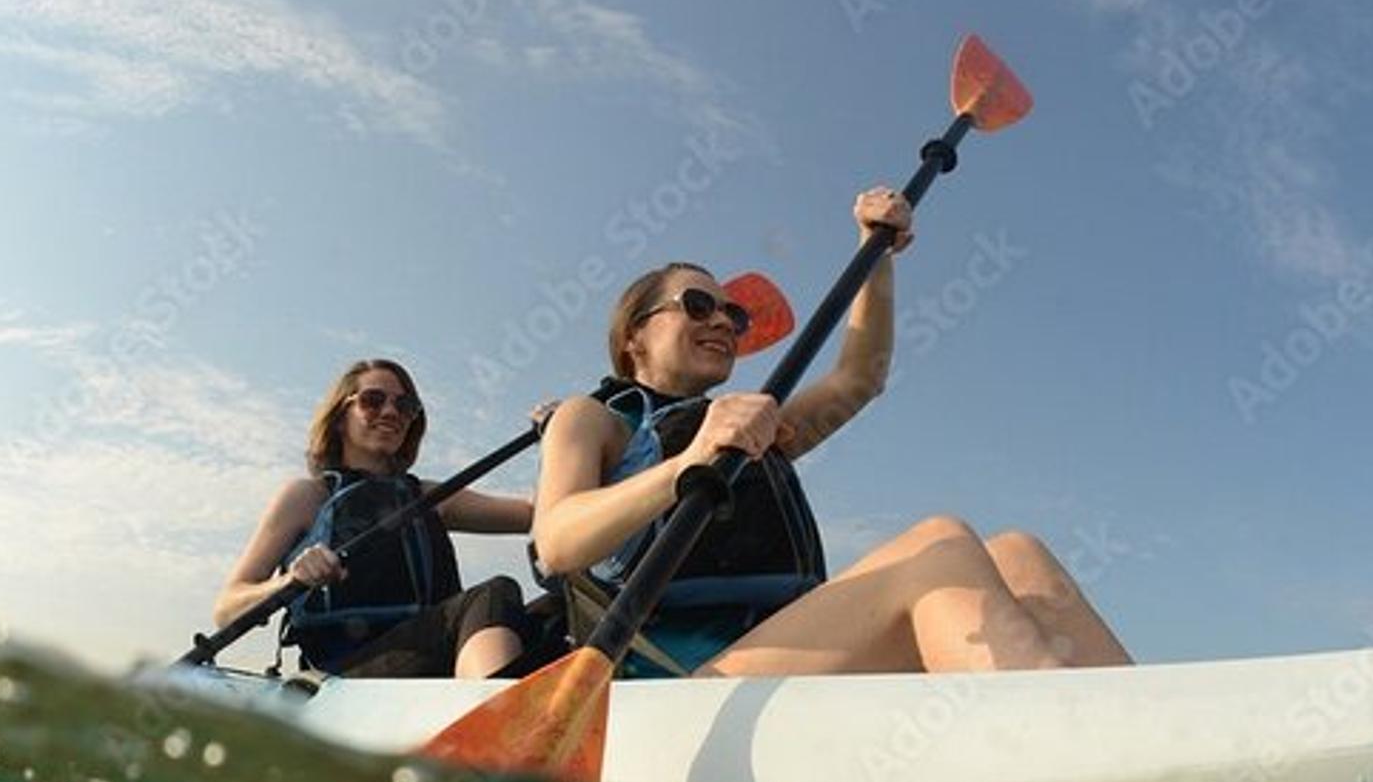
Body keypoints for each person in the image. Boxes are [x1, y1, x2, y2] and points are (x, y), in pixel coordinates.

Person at [529, 188, 1131, 676]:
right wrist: (685, 467)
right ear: (634, 334)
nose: (722, 321)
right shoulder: (592, 418)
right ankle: (1056, 748)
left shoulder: (749, 425)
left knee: (1017, 555)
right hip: (677, 686)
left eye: (732, 315)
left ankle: (1152, 748)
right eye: (697, 305)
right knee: (939, 547)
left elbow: (858, 379)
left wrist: (877, 258)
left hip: (778, 654)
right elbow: (557, 542)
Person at [217, 358, 534, 678]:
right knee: (494, 594)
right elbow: (227, 608)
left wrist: (562, 434)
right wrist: (292, 580)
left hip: (435, 654)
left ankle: (513, 709)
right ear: (340, 417)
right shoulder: (306, 496)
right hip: (347, 677)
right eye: (372, 400)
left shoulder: (430, 497)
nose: (390, 412)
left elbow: (535, 514)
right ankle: (493, 717)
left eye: (405, 405)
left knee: (553, 616)